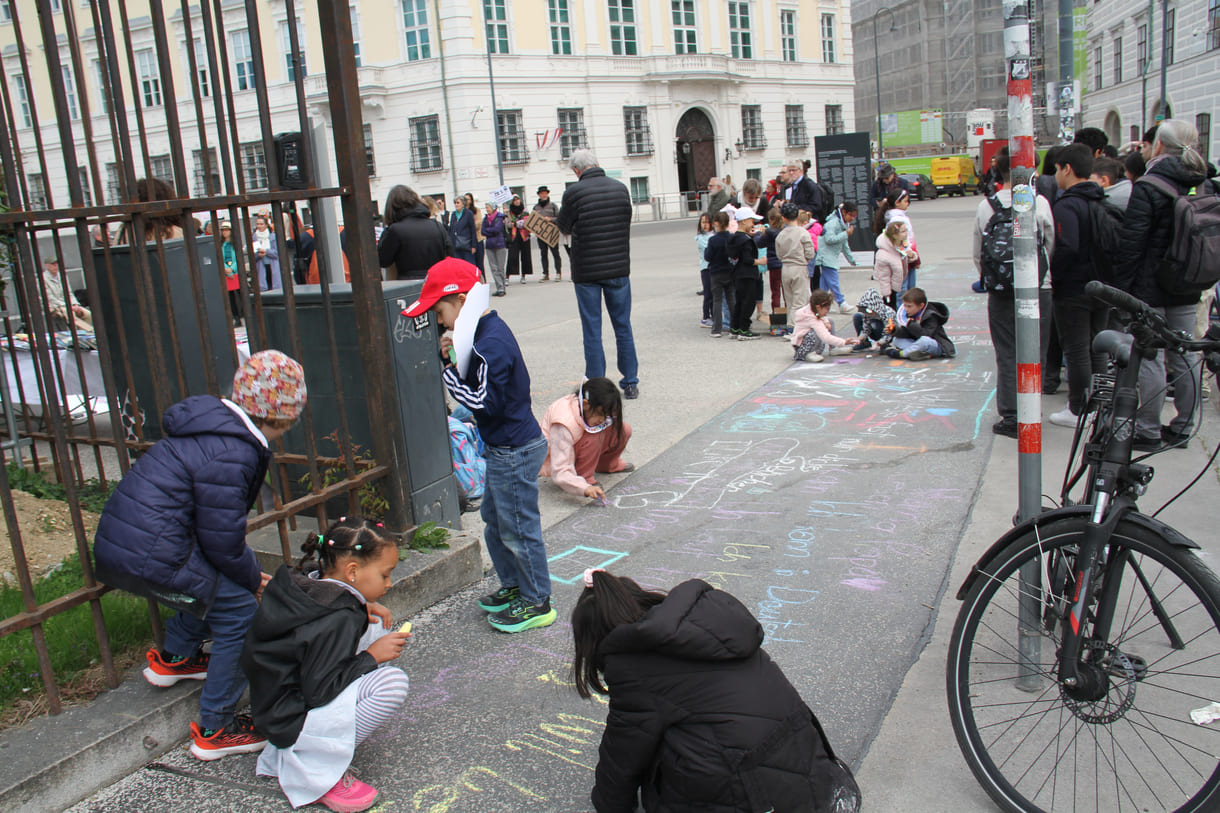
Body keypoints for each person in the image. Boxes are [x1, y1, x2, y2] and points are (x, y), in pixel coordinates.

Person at [92, 350, 308, 760]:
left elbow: (213, 540)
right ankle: (217, 727)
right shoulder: (235, 451)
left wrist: (240, 572)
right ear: (282, 416)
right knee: (242, 611)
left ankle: (175, 658)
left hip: (136, 545)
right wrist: (250, 578)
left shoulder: (216, 430)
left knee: (215, 585)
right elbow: (223, 541)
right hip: (152, 553)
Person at [571, 570, 861, 813]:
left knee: (663, 760)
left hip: (759, 795)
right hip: (813, 770)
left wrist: (608, 806)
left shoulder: (633, 665)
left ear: (593, 641)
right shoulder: (705, 625)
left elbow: (622, 756)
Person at [403, 258, 555, 632]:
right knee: (495, 520)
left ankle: (537, 600)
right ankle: (514, 584)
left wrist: (448, 369)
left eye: (440, 312)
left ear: (459, 300)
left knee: (518, 527)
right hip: (502, 446)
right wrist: (453, 352)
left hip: (515, 450)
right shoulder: (480, 336)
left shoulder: (492, 343)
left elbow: (481, 400)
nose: (439, 321)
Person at [243, 519, 411, 813]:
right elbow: (319, 691)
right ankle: (319, 767)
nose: (388, 583)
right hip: (292, 716)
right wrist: (371, 656)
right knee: (392, 683)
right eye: (385, 575)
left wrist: (362, 606)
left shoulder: (311, 583)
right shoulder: (337, 618)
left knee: (376, 630)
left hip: (275, 706)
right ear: (353, 572)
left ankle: (307, 747)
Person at [1112, 118, 1210, 450]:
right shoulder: (1203, 180)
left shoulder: (1150, 186)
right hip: (1190, 280)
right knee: (1185, 354)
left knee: (1150, 355)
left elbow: (1132, 244)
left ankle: (1148, 429)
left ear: (1158, 146)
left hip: (1150, 286)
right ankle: (1184, 426)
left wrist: (1122, 292)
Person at [974, 149, 1055, 438]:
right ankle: (1031, 410)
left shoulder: (987, 206)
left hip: (1000, 291)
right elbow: (1049, 243)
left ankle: (1010, 414)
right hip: (1035, 287)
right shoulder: (1038, 202)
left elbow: (978, 252)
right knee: (1035, 351)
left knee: (1007, 353)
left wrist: (995, 276)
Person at [557, 149, 640, 399]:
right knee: (623, 325)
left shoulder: (573, 193)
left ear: (576, 170)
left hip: (586, 271)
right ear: (598, 163)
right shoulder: (620, 188)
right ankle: (631, 381)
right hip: (617, 267)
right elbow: (626, 219)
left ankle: (595, 384)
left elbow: (563, 225)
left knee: (592, 329)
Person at [1047, 143, 1110, 427]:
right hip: (1102, 286)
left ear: (1067, 169)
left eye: (1057, 169)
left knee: (1075, 348)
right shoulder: (1101, 200)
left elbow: (1067, 246)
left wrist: (1056, 275)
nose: (1056, 175)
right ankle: (1098, 406)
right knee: (1097, 347)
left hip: (1074, 287)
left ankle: (1079, 408)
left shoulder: (1067, 204)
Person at [539, 377, 632, 502]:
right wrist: (584, 488)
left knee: (623, 430)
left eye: (607, 415)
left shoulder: (587, 406)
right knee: (594, 435)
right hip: (557, 456)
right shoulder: (563, 423)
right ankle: (584, 477)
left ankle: (607, 465)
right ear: (586, 405)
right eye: (601, 414)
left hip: (576, 444)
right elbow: (560, 469)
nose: (603, 419)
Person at [378, 185, 452, 280]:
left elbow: (383, 261)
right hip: (436, 282)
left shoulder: (394, 230)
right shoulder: (437, 226)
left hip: (407, 286)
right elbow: (450, 256)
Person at [884, 286, 956, 360]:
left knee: (924, 341)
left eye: (909, 306)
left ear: (921, 306)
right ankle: (920, 353)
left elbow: (926, 335)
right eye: (905, 306)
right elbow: (907, 333)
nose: (906, 309)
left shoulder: (931, 316)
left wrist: (912, 325)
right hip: (917, 343)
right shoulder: (910, 314)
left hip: (935, 345)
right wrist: (894, 330)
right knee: (897, 340)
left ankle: (902, 354)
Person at [791, 289, 862, 363]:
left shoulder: (813, 309)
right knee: (814, 331)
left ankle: (833, 348)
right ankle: (808, 354)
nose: (827, 312)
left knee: (829, 320)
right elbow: (825, 337)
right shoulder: (810, 318)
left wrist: (826, 321)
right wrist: (843, 342)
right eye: (827, 309)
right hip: (802, 349)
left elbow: (819, 315)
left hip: (814, 345)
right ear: (818, 307)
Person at [814, 202, 859, 314]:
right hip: (826, 256)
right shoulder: (832, 223)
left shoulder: (843, 224)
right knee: (833, 281)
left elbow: (844, 244)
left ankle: (820, 305)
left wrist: (851, 259)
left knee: (824, 284)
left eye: (854, 216)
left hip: (830, 256)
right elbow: (829, 239)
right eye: (851, 215)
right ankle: (841, 302)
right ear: (844, 212)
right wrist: (845, 234)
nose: (852, 218)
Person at [775, 201, 815, 321]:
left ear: (783, 217)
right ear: (797, 216)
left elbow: (779, 254)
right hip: (799, 266)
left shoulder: (780, 235)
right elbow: (810, 253)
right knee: (800, 301)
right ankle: (795, 327)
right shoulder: (803, 233)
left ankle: (790, 324)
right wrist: (805, 258)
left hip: (785, 267)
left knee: (789, 300)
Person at [729, 206, 764, 340]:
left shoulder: (734, 238)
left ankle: (735, 327)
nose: (753, 224)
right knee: (748, 302)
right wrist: (760, 261)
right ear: (743, 221)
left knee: (739, 301)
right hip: (748, 274)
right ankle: (744, 328)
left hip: (737, 274)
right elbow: (748, 260)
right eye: (751, 221)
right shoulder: (746, 240)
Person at [703, 211, 736, 338]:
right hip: (729, 270)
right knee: (731, 299)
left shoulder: (713, 240)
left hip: (716, 272)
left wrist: (707, 250)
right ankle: (734, 325)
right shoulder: (731, 238)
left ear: (716, 223)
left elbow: (708, 257)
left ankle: (717, 328)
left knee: (717, 300)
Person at [880, 189, 919, 294]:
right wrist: (907, 250)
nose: (908, 204)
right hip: (902, 258)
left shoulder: (900, 217)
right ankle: (903, 309)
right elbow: (897, 241)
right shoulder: (896, 219)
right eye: (905, 201)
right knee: (904, 290)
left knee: (910, 289)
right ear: (897, 202)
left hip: (908, 256)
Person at [874, 220, 913, 311]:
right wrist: (887, 294)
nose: (906, 233)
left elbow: (906, 258)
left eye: (906, 230)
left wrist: (911, 255)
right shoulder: (883, 255)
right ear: (895, 235)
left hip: (901, 280)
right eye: (903, 231)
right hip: (891, 290)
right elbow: (884, 276)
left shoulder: (902, 244)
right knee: (892, 309)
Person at [532, 186, 563, 280]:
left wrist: (550, 219)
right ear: (539, 195)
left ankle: (558, 272)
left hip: (551, 233)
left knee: (555, 253)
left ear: (547, 194)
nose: (543, 195)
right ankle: (545, 273)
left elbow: (559, 218)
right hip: (540, 235)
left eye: (545, 193)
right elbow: (532, 221)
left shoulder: (553, 206)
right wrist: (535, 231)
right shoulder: (536, 207)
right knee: (543, 254)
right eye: (541, 193)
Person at [482, 202, 509, 296]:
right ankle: (499, 287)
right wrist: (490, 231)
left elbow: (498, 229)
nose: (486, 209)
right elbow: (483, 231)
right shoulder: (485, 218)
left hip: (500, 245)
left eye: (488, 207)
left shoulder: (500, 217)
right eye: (486, 207)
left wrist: (488, 231)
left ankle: (502, 288)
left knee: (500, 267)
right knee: (494, 268)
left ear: (493, 208)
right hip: (489, 245)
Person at [506, 195, 534, 283]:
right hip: (514, 236)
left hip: (524, 236)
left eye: (518, 199)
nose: (517, 201)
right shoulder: (509, 212)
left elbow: (526, 222)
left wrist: (515, 223)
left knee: (525, 256)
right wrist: (510, 221)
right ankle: (507, 276)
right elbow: (508, 224)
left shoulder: (524, 211)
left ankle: (523, 276)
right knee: (512, 256)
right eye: (515, 200)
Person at [220, 222, 243, 328]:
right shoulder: (221, 245)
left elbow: (239, 258)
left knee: (241, 294)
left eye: (227, 230)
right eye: (223, 230)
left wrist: (232, 269)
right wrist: (226, 270)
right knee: (231, 298)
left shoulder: (236, 243)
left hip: (236, 272)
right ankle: (236, 318)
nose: (225, 232)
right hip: (226, 273)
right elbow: (220, 258)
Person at [695, 212, 715, 328]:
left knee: (714, 293)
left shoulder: (714, 234)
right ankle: (705, 317)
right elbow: (709, 248)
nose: (705, 225)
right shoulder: (700, 237)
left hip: (714, 267)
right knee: (708, 293)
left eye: (707, 222)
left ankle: (713, 315)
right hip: (706, 267)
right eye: (703, 222)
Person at [446, 195, 478, 266]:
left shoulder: (468, 213)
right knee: (458, 265)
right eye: (455, 203)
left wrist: (473, 246)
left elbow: (473, 229)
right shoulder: (454, 214)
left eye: (458, 203)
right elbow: (451, 228)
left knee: (469, 265)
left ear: (463, 204)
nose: (456, 204)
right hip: (456, 244)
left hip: (466, 244)